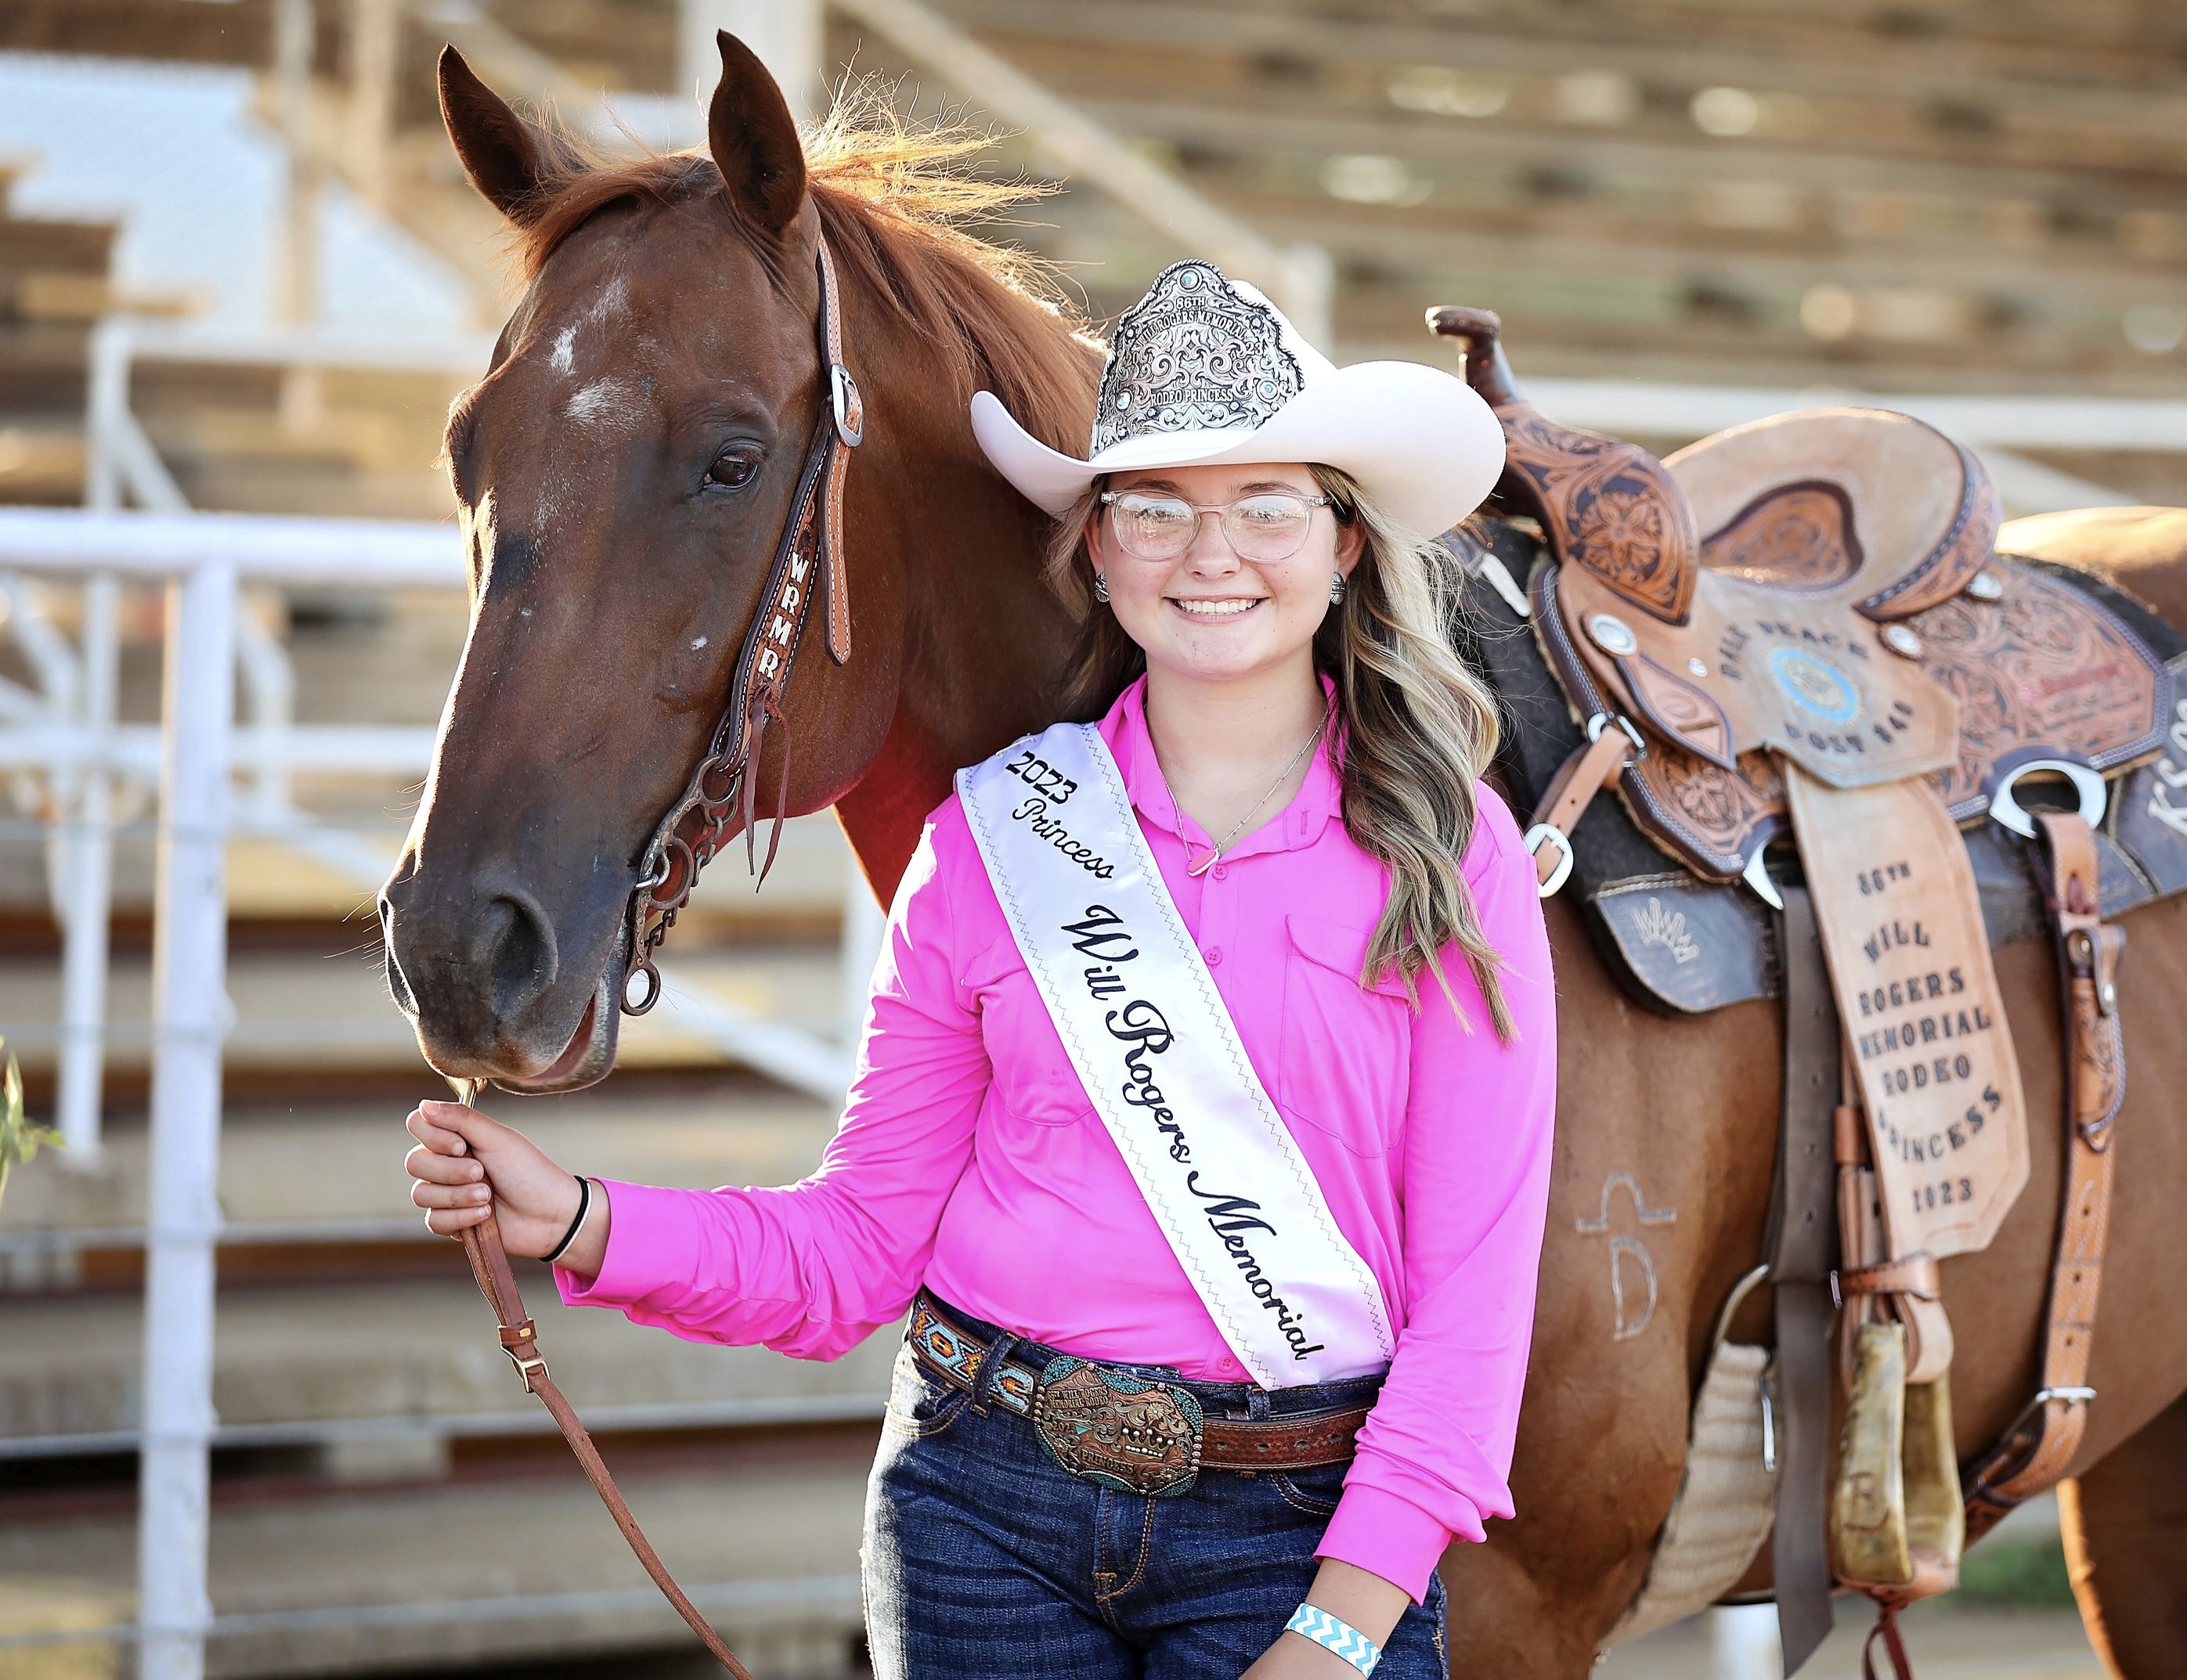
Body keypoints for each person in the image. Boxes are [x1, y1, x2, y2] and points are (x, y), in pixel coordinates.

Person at [404, 260, 1557, 1679]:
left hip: (1295, 1537)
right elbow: (852, 1253)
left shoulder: (1453, 857)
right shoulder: (994, 845)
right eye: (1154, 511)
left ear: (1345, 548)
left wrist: (1339, 1631)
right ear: (1095, 552)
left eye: (1268, 506)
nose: (1212, 557)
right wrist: (578, 1218)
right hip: (979, 1513)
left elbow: (1474, 1317)